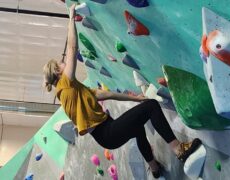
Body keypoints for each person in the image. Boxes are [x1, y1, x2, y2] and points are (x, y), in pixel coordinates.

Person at [43, 4, 202, 179]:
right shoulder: (65, 85)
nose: (64, 63)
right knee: (152, 106)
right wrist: (71, 17)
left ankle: (155, 169)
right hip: (107, 131)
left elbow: (103, 94)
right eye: (60, 64)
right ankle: (179, 149)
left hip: (106, 135)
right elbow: (73, 49)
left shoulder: (71, 93)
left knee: (138, 128)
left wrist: (135, 99)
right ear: (58, 72)